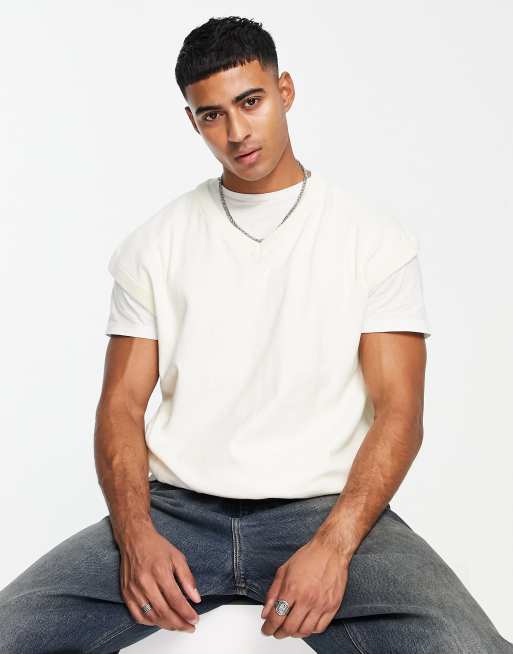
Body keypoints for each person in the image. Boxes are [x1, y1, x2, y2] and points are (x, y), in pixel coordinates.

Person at [0, 15, 511, 654]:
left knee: (470, 648)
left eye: (251, 102)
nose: (237, 132)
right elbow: (121, 405)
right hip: (178, 511)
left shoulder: (373, 240)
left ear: (284, 90)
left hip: (323, 510)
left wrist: (334, 546)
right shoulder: (155, 244)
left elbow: (400, 414)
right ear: (192, 122)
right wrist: (136, 536)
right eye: (212, 115)